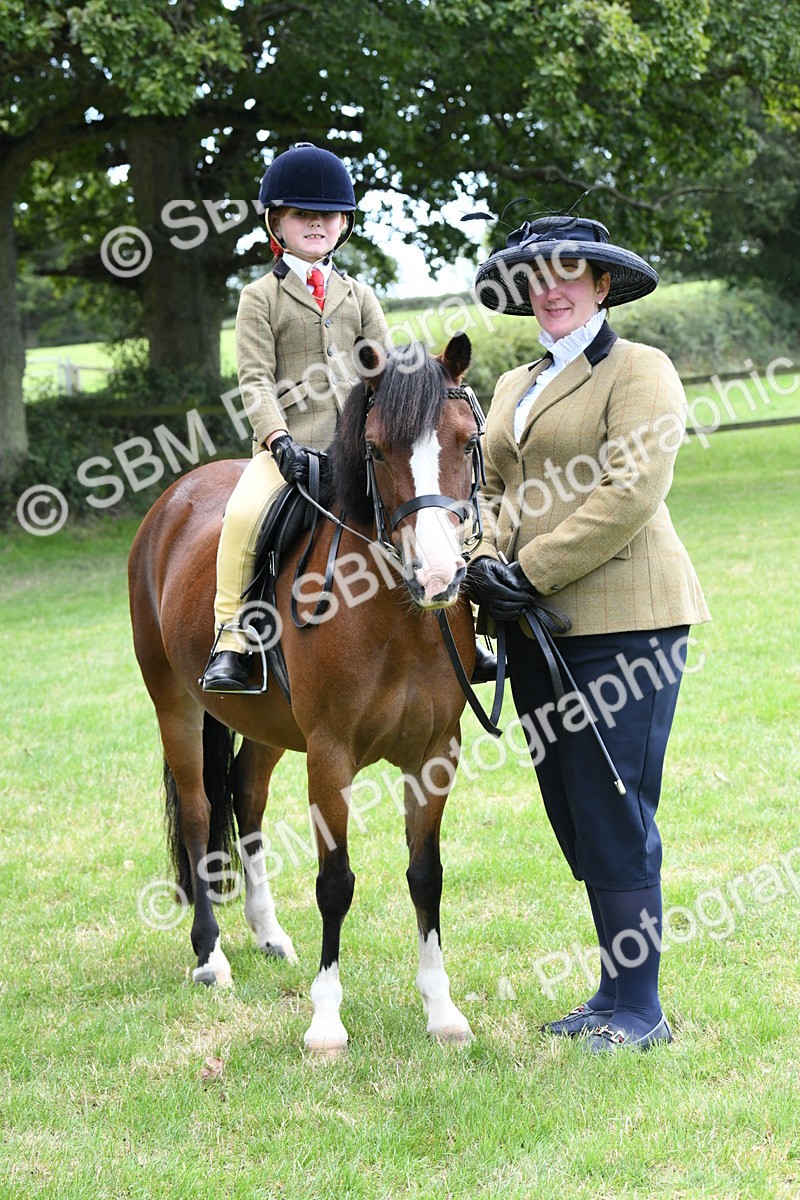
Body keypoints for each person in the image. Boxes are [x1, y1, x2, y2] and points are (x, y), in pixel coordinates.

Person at [466, 213, 711, 1052]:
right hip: (532, 627)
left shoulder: (641, 370)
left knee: (614, 805)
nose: (552, 289)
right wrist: (483, 561)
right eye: (538, 276)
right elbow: (489, 490)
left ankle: (642, 1009)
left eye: (569, 272)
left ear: (602, 285)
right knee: (574, 811)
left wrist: (529, 571)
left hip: (625, 622)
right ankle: (610, 993)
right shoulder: (512, 384)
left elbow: (630, 491)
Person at [202, 142, 389, 691]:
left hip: (358, 446)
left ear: (343, 224)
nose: (316, 223)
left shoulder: (359, 295)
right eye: (302, 214)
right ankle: (233, 638)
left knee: (424, 504)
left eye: (328, 215)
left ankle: (460, 629)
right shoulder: (259, 297)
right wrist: (277, 439)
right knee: (242, 517)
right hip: (288, 450)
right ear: (276, 222)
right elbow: (255, 379)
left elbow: (384, 371)